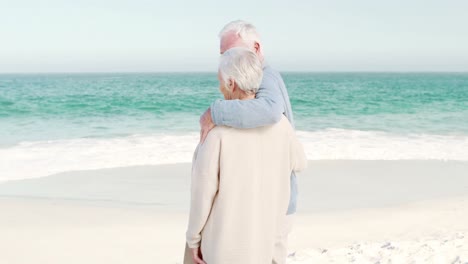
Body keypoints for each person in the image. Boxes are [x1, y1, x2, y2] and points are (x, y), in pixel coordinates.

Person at [185, 47, 307, 264]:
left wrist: (193, 240)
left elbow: (202, 196)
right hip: (263, 244)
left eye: (220, 81)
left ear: (231, 84)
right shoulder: (283, 126)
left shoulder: (216, 134)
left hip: (221, 249)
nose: (220, 88)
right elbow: (299, 163)